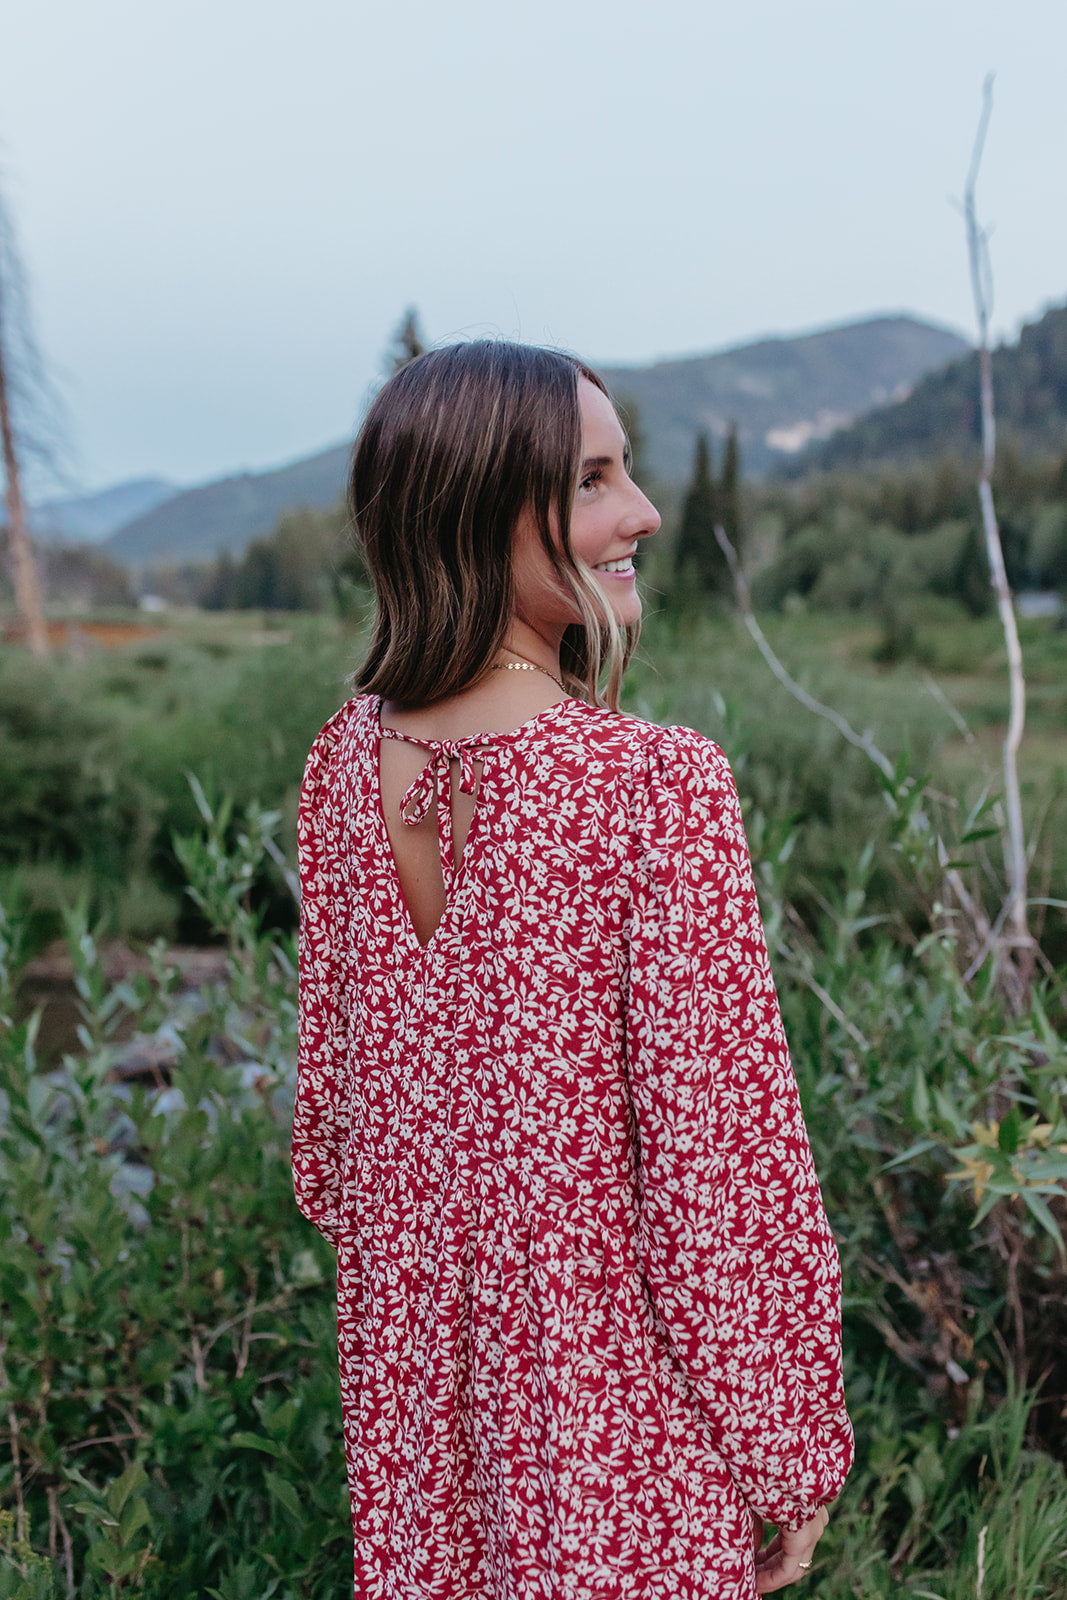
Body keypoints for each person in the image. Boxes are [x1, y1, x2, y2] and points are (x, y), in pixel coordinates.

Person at [292, 340, 853, 1600]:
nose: (641, 513)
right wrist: (787, 1456)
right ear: (483, 512)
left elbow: (331, 1150)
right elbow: (720, 1181)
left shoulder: (338, 768)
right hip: (620, 1452)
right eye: (594, 480)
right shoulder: (654, 787)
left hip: (420, 1450)